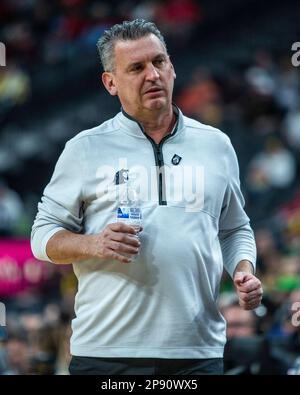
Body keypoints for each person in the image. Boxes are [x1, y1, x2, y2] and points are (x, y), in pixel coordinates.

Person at [31, 19, 263, 375]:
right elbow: (41, 237)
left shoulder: (216, 145)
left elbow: (234, 230)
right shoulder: (84, 149)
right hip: (105, 354)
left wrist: (243, 271)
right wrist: (94, 244)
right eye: (136, 68)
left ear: (172, 67)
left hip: (197, 353)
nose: (152, 75)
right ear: (110, 82)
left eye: (159, 62)